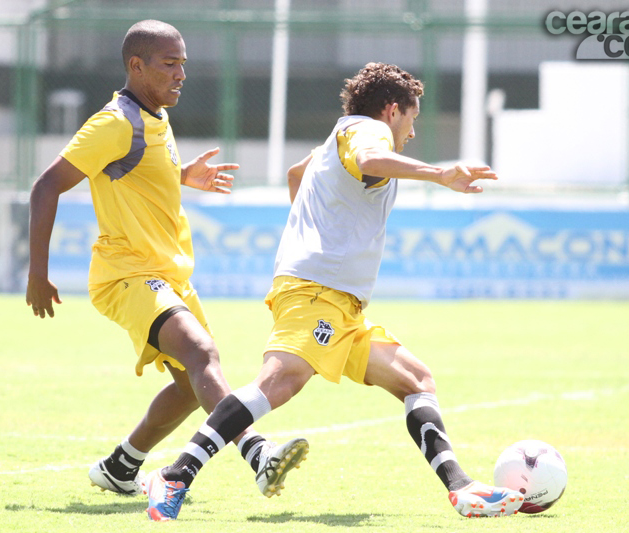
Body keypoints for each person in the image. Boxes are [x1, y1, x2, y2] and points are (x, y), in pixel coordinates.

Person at [142, 62, 525, 521]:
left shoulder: (337, 136)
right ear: (391, 111)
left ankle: (462, 490)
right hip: (317, 293)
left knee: (416, 380)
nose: (412, 132)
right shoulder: (368, 132)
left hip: (338, 302)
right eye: (411, 119)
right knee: (279, 382)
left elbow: (294, 175)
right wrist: (440, 174)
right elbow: (369, 161)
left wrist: (308, 241)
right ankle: (176, 475)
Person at [25, 19, 307, 518]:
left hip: (168, 273)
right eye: (169, 63)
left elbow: (134, 169)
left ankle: (121, 466)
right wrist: (37, 272)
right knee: (202, 353)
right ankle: (258, 453)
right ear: (136, 66)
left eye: (183, 64)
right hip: (127, 273)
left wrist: (182, 176)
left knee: (188, 383)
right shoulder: (113, 122)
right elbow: (46, 186)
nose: (181, 74)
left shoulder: (152, 116)